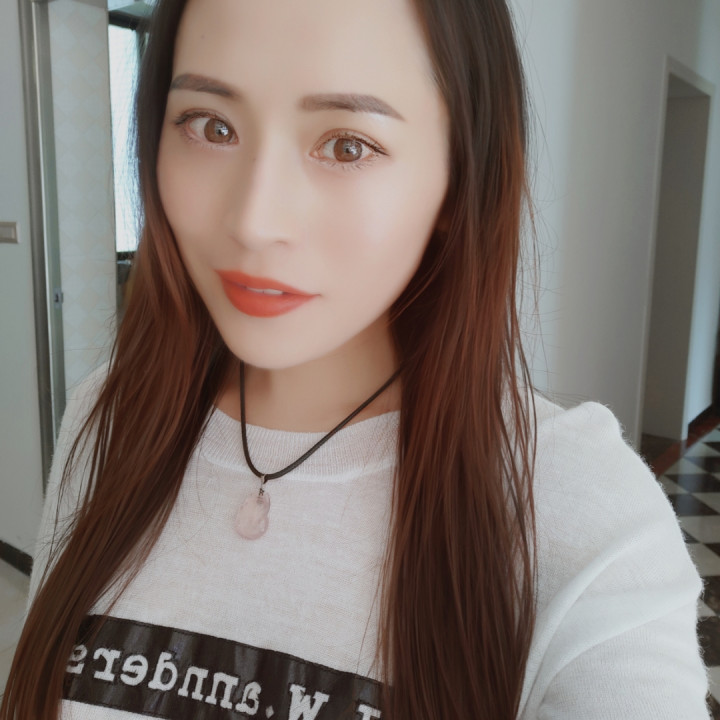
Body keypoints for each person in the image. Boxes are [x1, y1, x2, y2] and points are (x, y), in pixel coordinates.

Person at [1, 0, 710, 717]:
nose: (253, 220)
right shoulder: (109, 414)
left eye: (346, 146)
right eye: (211, 126)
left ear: (460, 176)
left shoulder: (574, 508)